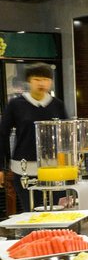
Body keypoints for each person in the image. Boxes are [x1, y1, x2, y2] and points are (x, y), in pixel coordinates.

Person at [0, 63, 68, 212]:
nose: (41, 83)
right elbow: (3, 134)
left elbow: (66, 135)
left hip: (54, 167)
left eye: (46, 79)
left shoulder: (57, 104)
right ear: (29, 81)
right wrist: (2, 166)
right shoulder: (16, 104)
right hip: (24, 168)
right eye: (37, 79)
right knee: (32, 211)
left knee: (59, 210)